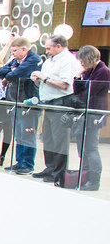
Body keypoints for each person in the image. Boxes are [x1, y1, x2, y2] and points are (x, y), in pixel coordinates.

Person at [31, 35, 82, 186]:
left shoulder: (67, 60)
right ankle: (50, 167)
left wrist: (45, 79)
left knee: (59, 139)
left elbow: (65, 84)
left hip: (60, 102)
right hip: (48, 102)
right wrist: (38, 80)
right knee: (48, 137)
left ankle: (59, 172)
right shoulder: (50, 61)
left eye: (49, 48)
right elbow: (46, 81)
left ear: (59, 46)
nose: (46, 51)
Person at [0, 36, 42, 174]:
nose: (13, 53)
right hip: (15, 102)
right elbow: (0, 72)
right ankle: (19, 162)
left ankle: (27, 164)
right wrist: (13, 70)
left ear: (24, 49)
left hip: (28, 104)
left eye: (15, 50)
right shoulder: (15, 60)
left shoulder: (33, 59)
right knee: (19, 134)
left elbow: (12, 75)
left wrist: (12, 72)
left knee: (27, 134)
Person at [71, 45, 110, 191]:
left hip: (94, 115)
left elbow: (89, 93)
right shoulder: (90, 71)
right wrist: (77, 77)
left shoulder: (103, 71)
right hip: (85, 113)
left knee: (91, 148)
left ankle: (93, 181)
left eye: (82, 62)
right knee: (82, 149)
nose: (81, 65)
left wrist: (78, 98)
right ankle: (85, 177)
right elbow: (78, 91)